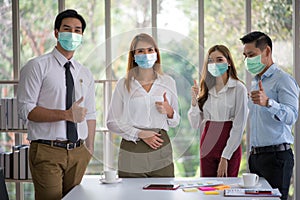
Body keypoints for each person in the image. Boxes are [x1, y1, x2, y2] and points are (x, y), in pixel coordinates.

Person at [17, 9, 96, 200]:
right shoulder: (36, 66)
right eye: (67, 29)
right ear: (56, 33)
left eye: (77, 30)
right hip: (47, 151)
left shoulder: (84, 73)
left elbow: (91, 113)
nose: (72, 34)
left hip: (79, 152)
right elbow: (25, 109)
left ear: (82, 35)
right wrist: (66, 115)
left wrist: (89, 148)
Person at [106, 33, 180, 178]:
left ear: (156, 53)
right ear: (133, 56)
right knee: (132, 194)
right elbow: (111, 122)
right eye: (140, 51)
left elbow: (175, 122)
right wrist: (140, 134)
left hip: (160, 145)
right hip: (132, 147)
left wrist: (169, 111)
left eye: (150, 50)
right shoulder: (123, 84)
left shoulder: (168, 82)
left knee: (163, 194)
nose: (146, 54)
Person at [240, 31, 299, 200]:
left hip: (277, 158)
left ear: (266, 52)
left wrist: (269, 103)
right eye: (245, 56)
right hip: (256, 157)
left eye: (251, 55)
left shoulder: (284, 80)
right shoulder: (254, 82)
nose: (247, 60)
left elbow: (292, 116)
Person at [188, 45, 248, 177]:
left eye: (219, 60)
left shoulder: (239, 88)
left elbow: (239, 126)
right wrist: (194, 101)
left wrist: (225, 157)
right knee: (208, 191)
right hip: (207, 144)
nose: (214, 64)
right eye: (211, 61)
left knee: (226, 190)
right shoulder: (206, 89)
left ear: (229, 63)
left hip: (229, 144)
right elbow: (195, 124)